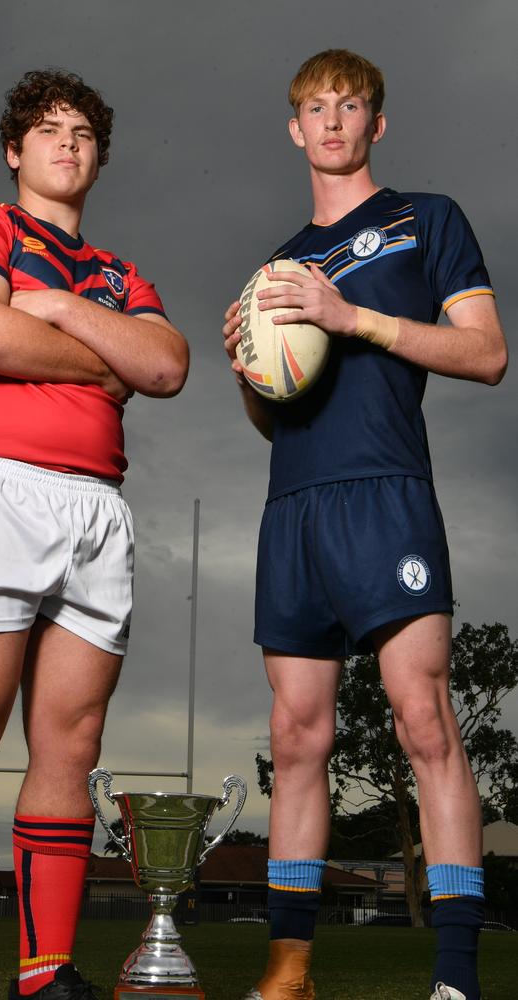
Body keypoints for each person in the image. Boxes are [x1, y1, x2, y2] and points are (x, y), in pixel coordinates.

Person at [0, 69, 188, 1000]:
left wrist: (50, 307)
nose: (68, 143)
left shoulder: (122, 273)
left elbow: (166, 366)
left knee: (72, 742)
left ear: (99, 155)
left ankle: (45, 969)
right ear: (15, 150)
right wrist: (103, 361)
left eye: (85, 132)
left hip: (96, 507)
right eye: (49, 130)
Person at [223, 49, 507, 1000]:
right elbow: (278, 414)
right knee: (298, 735)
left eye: (351, 106)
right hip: (294, 508)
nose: (334, 120)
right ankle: (289, 971)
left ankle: (456, 979)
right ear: (293, 128)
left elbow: (486, 354)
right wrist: (251, 373)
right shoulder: (280, 264)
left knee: (424, 719)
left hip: (386, 493)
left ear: (376, 124)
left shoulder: (426, 220)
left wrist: (355, 319)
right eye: (315, 107)